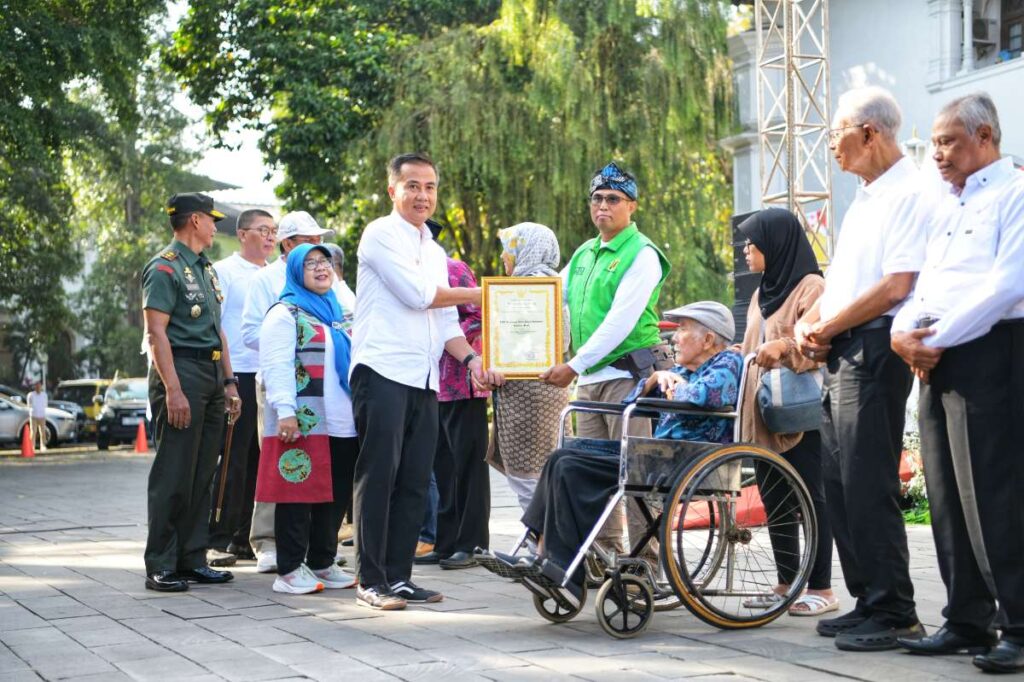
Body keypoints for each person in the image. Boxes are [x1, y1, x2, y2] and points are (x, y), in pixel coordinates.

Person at [890, 93, 1024, 673]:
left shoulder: (1015, 193)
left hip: (990, 351)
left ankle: (1017, 624)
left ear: (986, 137)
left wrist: (936, 338)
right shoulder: (946, 205)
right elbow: (924, 285)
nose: (938, 153)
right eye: (936, 141)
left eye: (949, 141)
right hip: (935, 354)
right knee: (945, 493)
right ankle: (965, 615)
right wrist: (903, 334)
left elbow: (1007, 285)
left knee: (994, 494)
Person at [794, 86, 928, 650]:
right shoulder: (868, 196)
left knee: (868, 480)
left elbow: (896, 285)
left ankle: (896, 609)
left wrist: (826, 327)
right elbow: (846, 281)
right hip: (845, 343)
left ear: (869, 133)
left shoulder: (911, 192)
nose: (832, 147)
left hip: (875, 346)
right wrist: (809, 322)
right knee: (838, 479)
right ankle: (868, 598)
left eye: (836, 134)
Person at [502, 302, 742, 605]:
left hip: (685, 461)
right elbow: (632, 399)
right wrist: (655, 379)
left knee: (570, 466)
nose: (674, 337)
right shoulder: (682, 370)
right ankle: (546, 556)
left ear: (708, 340)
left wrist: (672, 385)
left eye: (682, 329)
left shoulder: (727, 364)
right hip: (660, 457)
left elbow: (702, 396)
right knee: (560, 458)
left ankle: (558, 564)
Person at [350, 152, 503, 610]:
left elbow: (445, 320)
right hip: (382, 370)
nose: (423, 195)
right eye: (413, 185)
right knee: (379, 476)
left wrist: (473, 360)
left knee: (416, 480)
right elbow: (418, 296)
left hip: (425, 377)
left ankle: (399, 576)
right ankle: (370, 580)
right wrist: (492, 291)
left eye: (430, 187)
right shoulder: (379, 235)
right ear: (393, 189)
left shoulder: (435, 251)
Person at [540, 161, 672, 557]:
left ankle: (648, 567)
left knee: (637, 477)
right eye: (596, 198)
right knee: (594, 476)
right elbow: (548, 301)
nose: (603, 206)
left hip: (630, 378)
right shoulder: (584, 253)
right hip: (593, 379)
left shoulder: (642, 254)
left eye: (613, 199)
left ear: (632, 206)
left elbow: (618, 323)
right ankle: (609, 558)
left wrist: (572, 366)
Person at [736, 208, 836, 616]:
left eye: (753, 241)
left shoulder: (811, 287)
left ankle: (823, 589)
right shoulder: (763, 290)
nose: (746, 249)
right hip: (765, 413)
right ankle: (786, 582)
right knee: (775, 495)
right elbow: (750, 346)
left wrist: (785, 351)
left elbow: (821, 345)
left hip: (801, 414)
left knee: (812, 497)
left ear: (776, 243)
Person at [141, 192, 241, 592]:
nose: (216, 227)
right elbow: (155, 332)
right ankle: (161, 563)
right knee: (174, 471)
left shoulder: (206, 270)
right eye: (212, 220)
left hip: (211, 372)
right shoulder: (163, 268)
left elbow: (219, 329)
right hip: (180, 371)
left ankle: (192, 557)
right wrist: (174, 391)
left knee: (203, 470)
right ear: (194, 220)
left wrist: (230, 382)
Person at [255, 243, 358, 594]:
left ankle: (322, 562)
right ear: (296, 271)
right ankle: (289, 570)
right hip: (303, 420)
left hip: (342, 419)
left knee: (336, 494)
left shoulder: (338, 311)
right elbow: (276, 365)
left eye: (325, 262)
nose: (320, 268)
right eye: (310, 263)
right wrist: (286, 413)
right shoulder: (284, 313)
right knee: (297, 493)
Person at [240, 211, 334, 574]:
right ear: (288, 243)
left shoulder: (327, 275)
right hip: (282, 383)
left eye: (319, 241)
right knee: (282, 460)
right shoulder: (267, 280)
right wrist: (290, 338)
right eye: (308, 241)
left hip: (322, 387)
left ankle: (313, 548)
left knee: (318, 464)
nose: (317, 248)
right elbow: (251, 332)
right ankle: (267, 541)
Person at [207, 209, 277, 567]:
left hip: (268, 376)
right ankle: (217, 536)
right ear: (242, 233)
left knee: (261, 459)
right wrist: (227, 379)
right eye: (263, 230)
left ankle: (244, 537)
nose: (270, 237)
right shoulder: (224, 271)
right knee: (233, 457)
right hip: (238, 375)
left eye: (274, 231)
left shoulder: (275, 275)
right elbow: (214, 326)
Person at [491, 223, 571, 510]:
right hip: (550, 389)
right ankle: (545, 547)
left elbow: (514, 343)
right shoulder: (553, 284)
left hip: (529, 392)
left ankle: (542, 549)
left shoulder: (526, 289)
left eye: (508, 250)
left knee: (528, 478)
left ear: (526, 251)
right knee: (546, 474)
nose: (503, 257)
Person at [430, 257, 491, 570]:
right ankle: (446, 542)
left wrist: (444, 332)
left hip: (464, 382)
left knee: (469, 468)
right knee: (443, 468)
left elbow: (479, 314)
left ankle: (473, 544)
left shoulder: (452, 268)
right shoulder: (414, 268)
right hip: (434, 385)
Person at [27, 382, 48, 451]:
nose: (38, 388)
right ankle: (32, 446)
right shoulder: (31, 395)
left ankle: (43, 446)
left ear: (41, 387)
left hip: (42, 415)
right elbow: (29, 405)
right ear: (35, 387)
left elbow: (45, 405)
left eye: (39, 386)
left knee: (43, 432)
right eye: (37, 386)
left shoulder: (44, 395)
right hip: (34, 416)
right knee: (33, 432)